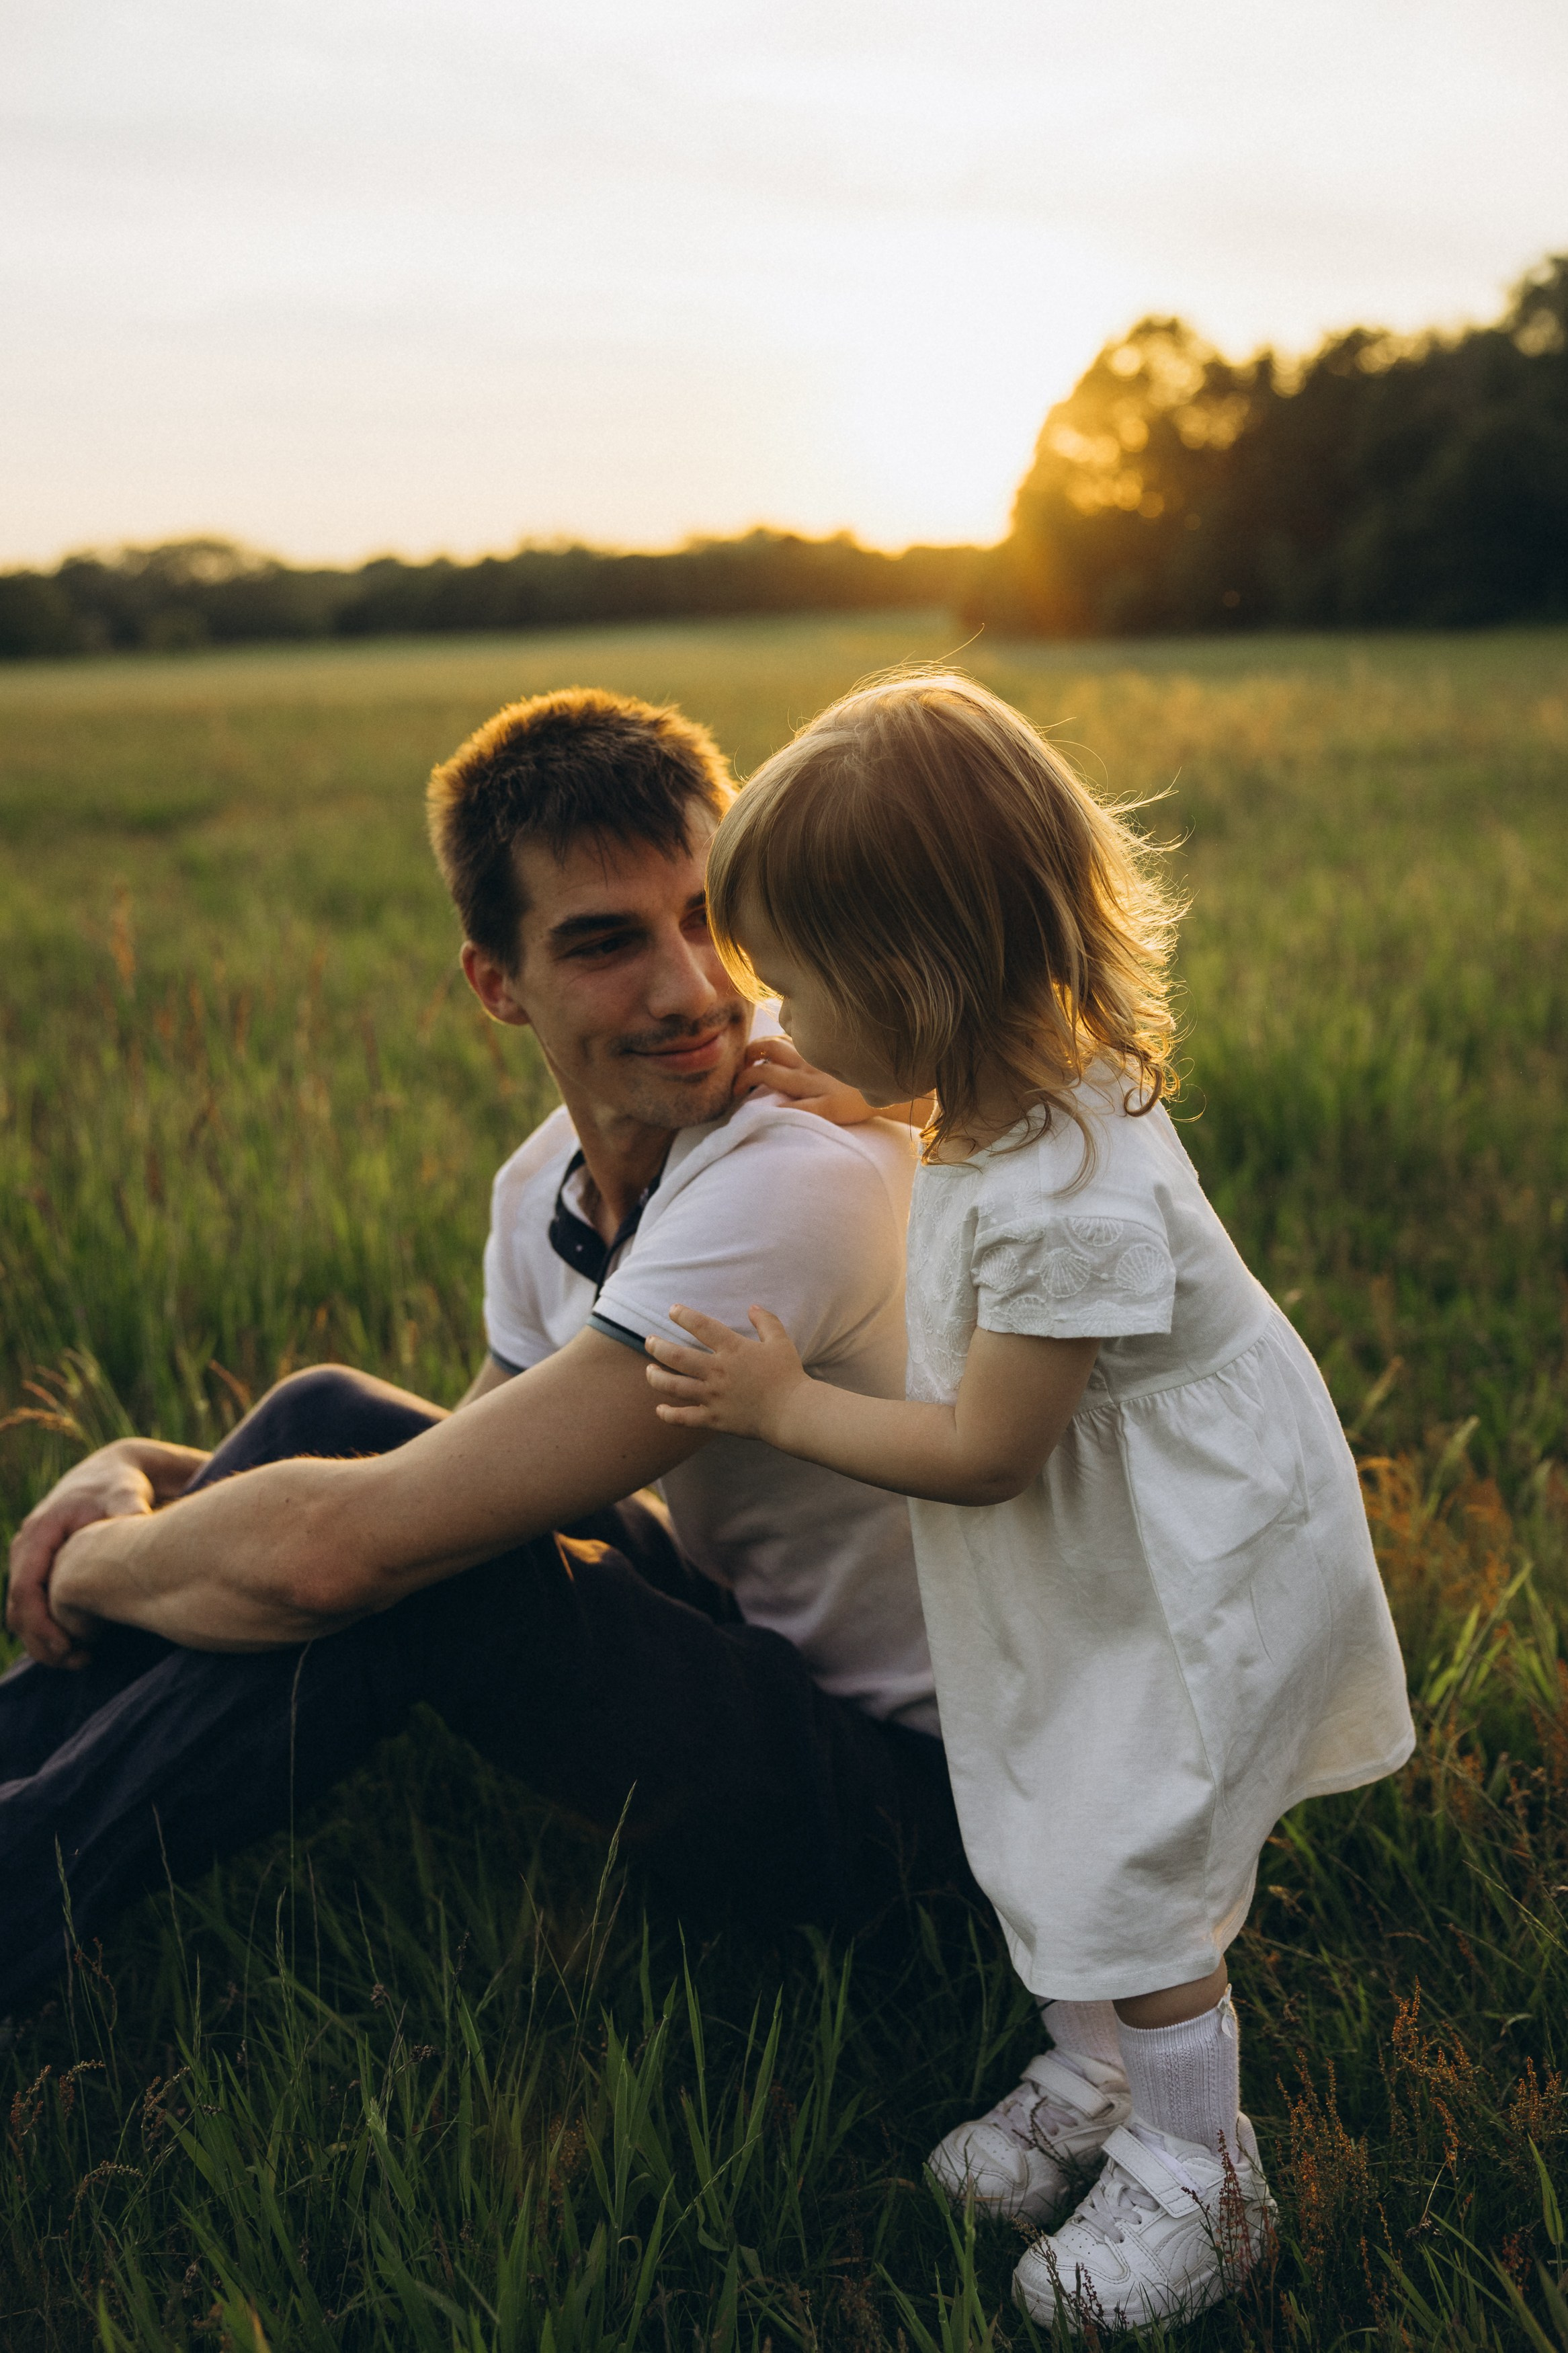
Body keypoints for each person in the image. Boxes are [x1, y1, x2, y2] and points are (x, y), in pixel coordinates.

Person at [1, 686, 967, 2020]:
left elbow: (353, 1549)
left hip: (937, 1809)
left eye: (706, 917)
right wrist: (131, 1462)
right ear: (495, 985)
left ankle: (18, 1888)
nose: (692, 988)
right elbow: (446, 1472)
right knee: (332, 1418)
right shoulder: (544, 1193)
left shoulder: (800, 1172)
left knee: (419, 1570)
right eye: (605, 943)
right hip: (765, 1652)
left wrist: (98, 1559)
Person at [642, 670, 1416, 2334]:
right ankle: (1097, 2070)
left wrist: (787, 1404)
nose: (770, 1019)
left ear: (917, 982)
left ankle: (1204, 2174)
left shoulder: (1073, 1192)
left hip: (1164, 1566)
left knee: (1128, 1842)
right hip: (1084, 1557)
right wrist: (861, 1094)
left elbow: (989, 1446)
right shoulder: (998, 1105)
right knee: (1049, 1797)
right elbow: (942, 1140)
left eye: (801, 983)